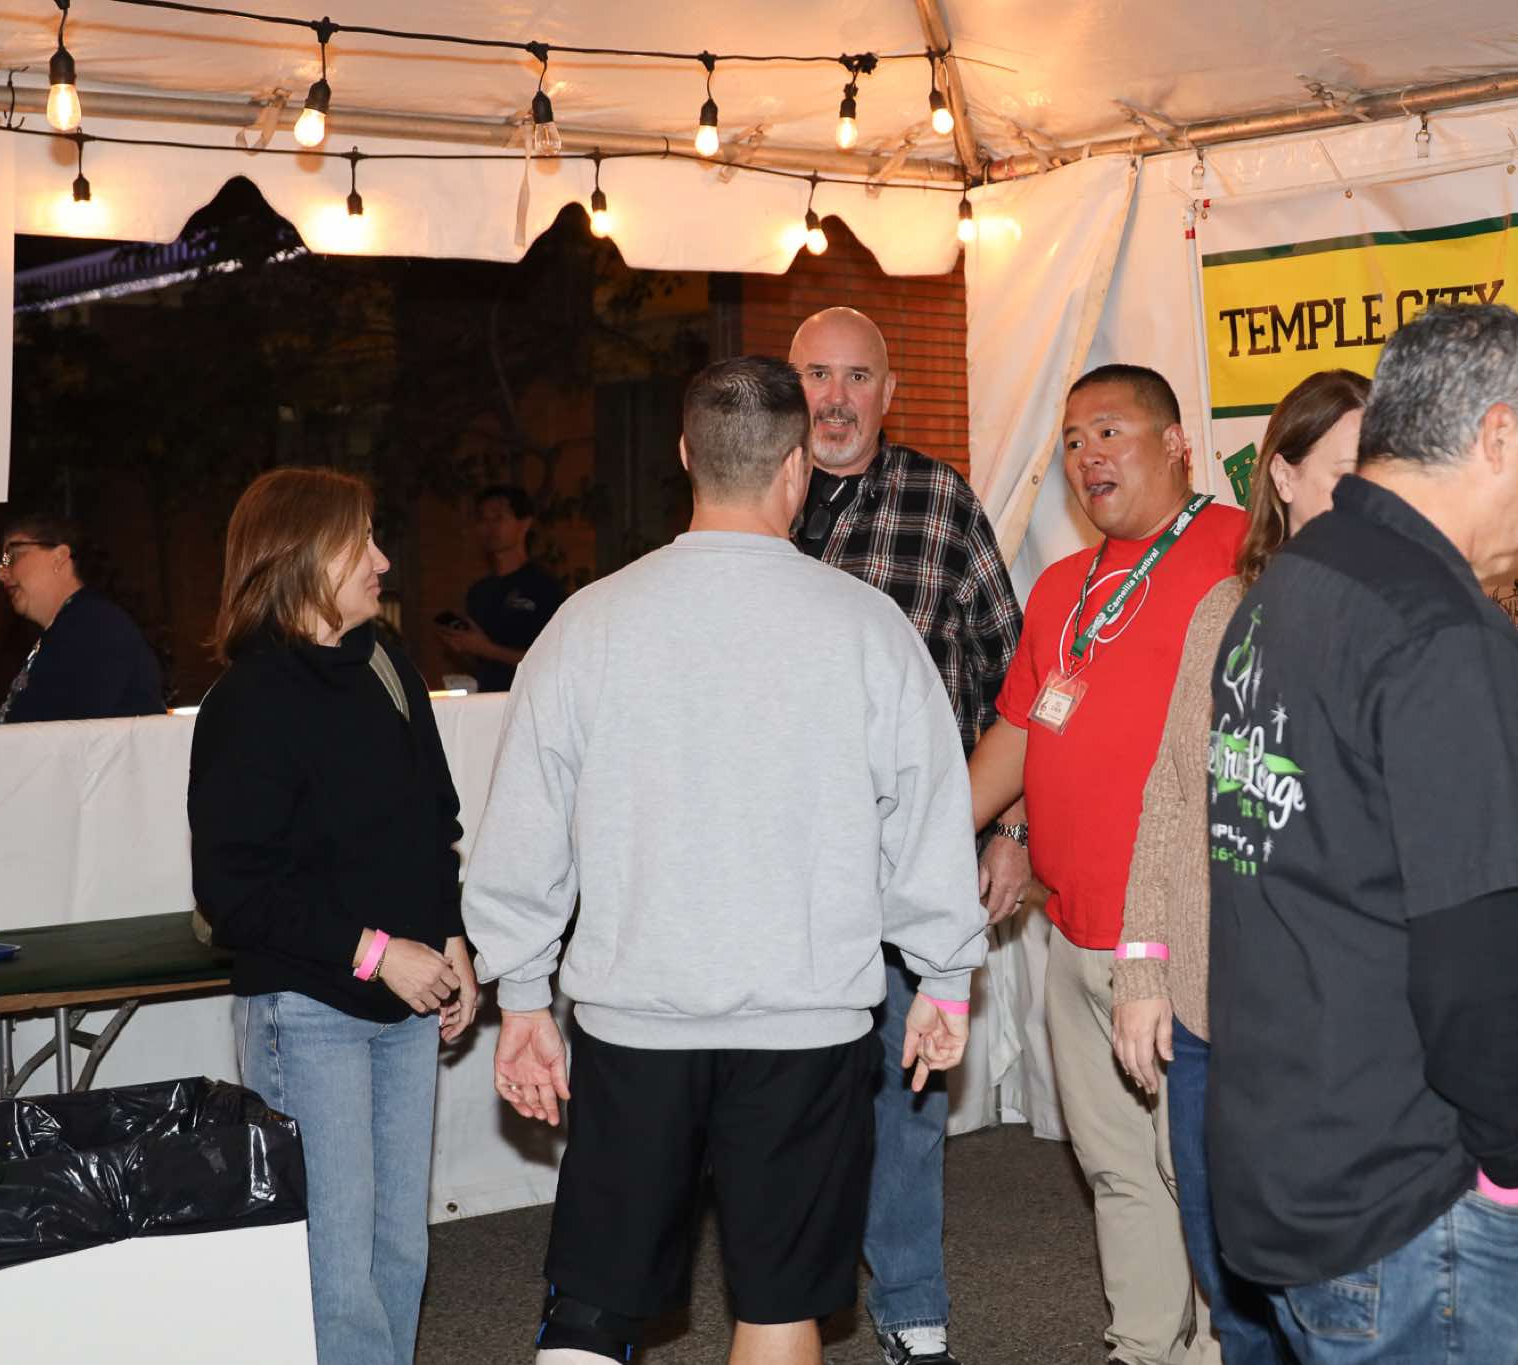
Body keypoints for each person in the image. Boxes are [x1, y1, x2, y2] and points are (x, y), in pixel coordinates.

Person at [461, 356, 988, 1365]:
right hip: (806, 1024)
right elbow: (926, 819)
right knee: (782, 1304)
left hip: (633, 1019)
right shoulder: (866, 628)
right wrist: (945, 978)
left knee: (593, 1306)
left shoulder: (587, 624)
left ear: (683, 456)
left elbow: (523, 829)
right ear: (797, 467)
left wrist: (521, 995)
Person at [1205, 304, 1518, 1365]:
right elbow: (1474, 945)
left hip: (1294, 1153)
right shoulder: (1437, 632)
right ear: (1498, 435)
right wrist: (1512, 1168)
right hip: (1408, 1192)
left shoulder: (1286, 587)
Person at [968, 364, 1245, 1365]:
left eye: (1111, 431)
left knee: (1201, 1175)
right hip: (1072, 929)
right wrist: (974, 834)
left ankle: (1223, 1349)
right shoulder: (1061, 586)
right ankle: (1142, 1346)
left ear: (1175, 444)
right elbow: (1023, 733)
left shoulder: (1242, 556)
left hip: (1181, 940)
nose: (1088, 456)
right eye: (1074, 440)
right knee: (1118, 1170)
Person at [188, 467, 478, 1365]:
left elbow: (435, 820)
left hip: (406, 1002)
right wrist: (378, 953)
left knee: (400, 1251)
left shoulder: (388, 665)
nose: (383, 561)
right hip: (308, 1013)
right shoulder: (246, 702)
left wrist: (453, 938)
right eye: (363, 542)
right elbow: (234, 890)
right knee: (337, 1269)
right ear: (306, 555)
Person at [1111, 369, 1370, 1364]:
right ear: (1284, 478)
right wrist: (1141, 968)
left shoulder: (1408, 624)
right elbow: (1173, 793)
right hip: (1207, 1015)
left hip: (1326, 1037)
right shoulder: (1225, 611)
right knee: (1232, 1298)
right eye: (1347, 472)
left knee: (1330, 1308)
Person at [788, 305, 1026, 1365]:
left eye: (856, 378)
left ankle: (912, 1312)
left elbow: (1015, 678)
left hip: (911, 863)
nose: (835, 399)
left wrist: (1013, 825)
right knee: (780, 1097)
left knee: (909, 1088)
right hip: (779, 870)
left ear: (889, 393)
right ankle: (783, 1301)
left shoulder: (942, 502)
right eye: (816, 375)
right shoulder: (750, 508)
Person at [0, 513, 163, 722]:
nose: (0, 573)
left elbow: (69, 731)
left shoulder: (95, 628)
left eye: (11, 557)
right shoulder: (72, 628)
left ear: (59, 557)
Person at [435, 484, 566, 692]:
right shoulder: (479, 592)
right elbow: (479, 664)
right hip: (488, 699)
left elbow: (553, 658)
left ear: (524, 524)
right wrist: (463, 647)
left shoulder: (545, 587)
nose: (489, 527)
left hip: (532, 697)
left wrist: (486, 648)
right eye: (482, 519)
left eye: (498, 518)